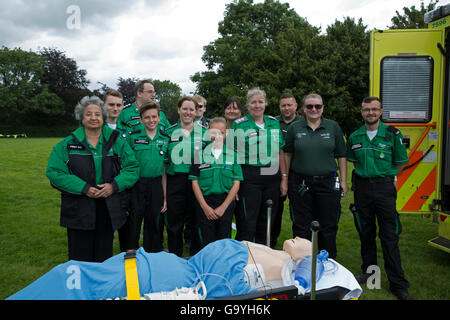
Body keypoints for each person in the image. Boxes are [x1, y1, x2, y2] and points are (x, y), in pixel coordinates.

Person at [46, 96, 140, 262]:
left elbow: (132, 168)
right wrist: (84, 188)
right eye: (88, 114)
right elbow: (55, 173)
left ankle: (102, 287)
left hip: (108, 206)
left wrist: (113, 186)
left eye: (97, 114)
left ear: (103, 117)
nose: (93, 118)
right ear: (81, 118)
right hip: (78, 208)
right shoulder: (66, 145)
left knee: (104, 256)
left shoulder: (117, 141)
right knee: (79, 257)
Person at [346, 96, 412, 300]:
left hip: (384, 188)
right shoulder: (355, 136)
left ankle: (397, 284)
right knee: (366, 233)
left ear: (381, 111)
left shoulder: (392, 134)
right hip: (363, 188)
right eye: (366, 110)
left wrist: (390, 175)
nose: (370, 113)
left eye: (374, 109)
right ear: (362, 112)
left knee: (389, 236)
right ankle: (370, 274)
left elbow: (401, 162)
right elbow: (353, 161)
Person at [284, 93, 347, 259]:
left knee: (328, 225)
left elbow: (341, 155)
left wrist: (344, 181)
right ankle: (302, 262)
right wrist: (285, 179)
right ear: (303, 108)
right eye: (310, 106)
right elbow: (287, 154)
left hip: (327, 182)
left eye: (317, 106)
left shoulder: (333, 127)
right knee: (301, 225)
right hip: (300, 182)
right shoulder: (295, 128)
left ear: (323, 108)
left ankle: (328, 263)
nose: (314, 109)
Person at [230, 88, 288, 246]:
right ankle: (245, 255)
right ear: (248, 105)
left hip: (272, 174)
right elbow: (232, 155)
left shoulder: (274, 123)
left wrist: (284, 178)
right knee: (247, 219)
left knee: (268, 218)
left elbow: (279, 152)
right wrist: (234, 183)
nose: (257, 105)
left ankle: (266, 255)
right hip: (249, 175)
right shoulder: (239, 125)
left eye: (260, 102)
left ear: (265, 104)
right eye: (253, 102)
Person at [189, 117, 243, 248]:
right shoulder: (199, 155)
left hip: (226, 202)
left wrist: (224, 207)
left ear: (227, 134)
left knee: (224, 239)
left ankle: (222, 267)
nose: (218, 136)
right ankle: (206, 266)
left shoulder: (233, 155)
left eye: (222, 132)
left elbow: (236, 182)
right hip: (205, 202)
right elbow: (194, 182)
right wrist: (205, 207)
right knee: (206, 240)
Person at [165, 96, 208, 256]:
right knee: (174, 223)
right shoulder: (168, 132)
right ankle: (175, 256)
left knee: (197, 221)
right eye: (185, 109)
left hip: (197, 181)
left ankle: (196, 255)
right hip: (175, 182)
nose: (188, 112)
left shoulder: (204, 133)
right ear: (179, 110)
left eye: (191, 109)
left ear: (196, 111)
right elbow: (164, 163)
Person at [126, 101, 169, 252]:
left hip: (156, 184)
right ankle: (131, 251)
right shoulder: (132, 137)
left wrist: (164, 196)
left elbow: (164, 169)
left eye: (154, 117)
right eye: (147, 117)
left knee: (155, 220)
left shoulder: (165, 138)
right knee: (134, 220)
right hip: (137, 184)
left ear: (159, 118)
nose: (151, 120)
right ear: (141, 119)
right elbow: (126, 166)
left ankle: (153, 251)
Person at [273, 93, 301, 248]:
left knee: (297, 211)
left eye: (289, 105)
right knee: (276, 209)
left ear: (295, 106)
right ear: (279, 107)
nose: (286, 108)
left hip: (297, 172)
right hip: (278, 172)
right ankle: (272, 241)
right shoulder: (273, 122)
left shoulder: (302, 123)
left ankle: (298, 243)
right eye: (283, 105)